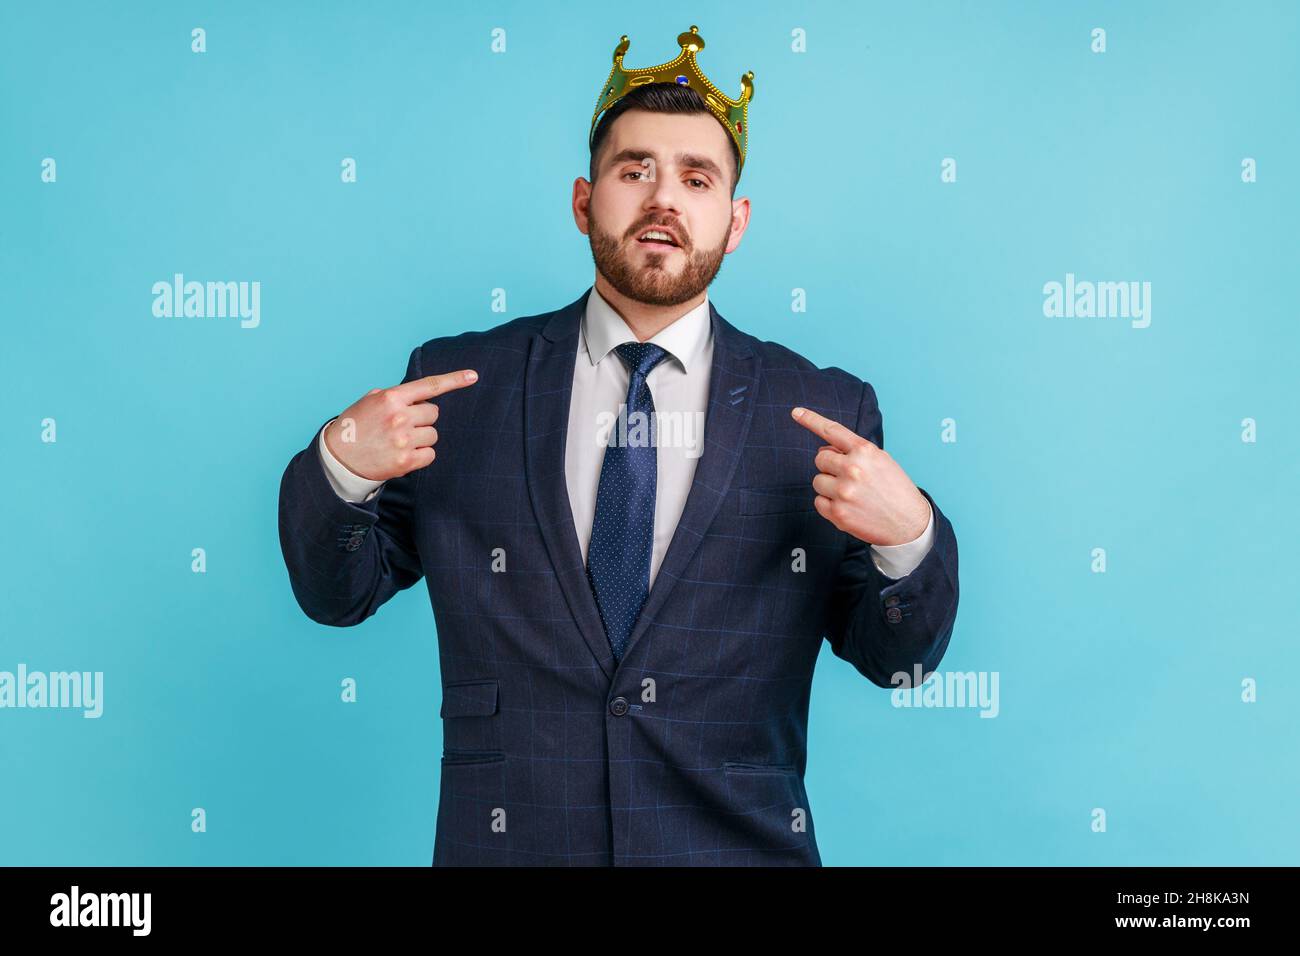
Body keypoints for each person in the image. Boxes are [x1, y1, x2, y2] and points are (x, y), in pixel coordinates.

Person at [278, 25, 959, 866]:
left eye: (695, 178)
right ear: (582, 200)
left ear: (735, 220)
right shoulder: (459, 387)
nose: (661, 199)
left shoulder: (820, 409)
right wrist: (341, 463)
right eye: (633, 170)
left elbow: (899, 664)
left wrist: (909, 538)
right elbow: (334, 595)